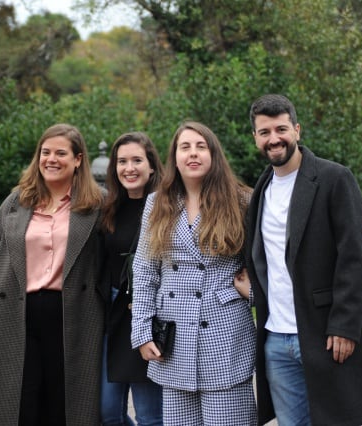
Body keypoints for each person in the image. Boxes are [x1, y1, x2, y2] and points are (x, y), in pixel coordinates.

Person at [241, 94, 362, 426]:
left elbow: (354, 257)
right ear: (256, 138)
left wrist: (345, 325)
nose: (274, 139)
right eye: (264, 132)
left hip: (324, 334)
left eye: (281, 129)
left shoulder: (334, 179)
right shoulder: (261, 191)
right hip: (276, 338)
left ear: (297, 130)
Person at [0, 123, 105, 425]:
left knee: (62, 405)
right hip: (15, 313)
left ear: (78, 159)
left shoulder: (96, 204)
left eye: (61, 153)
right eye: (45, 152)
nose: (51, 159)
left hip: (72, 315)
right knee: (18, 404)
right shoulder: (17, 202)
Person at [131, 121, 257, 425]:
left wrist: (252, 292)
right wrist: (142, 331)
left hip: (225, 332)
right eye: (185, 147)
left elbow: (264, 264)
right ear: (174, 157)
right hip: (173, 335)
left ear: (213, 154)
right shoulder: (156, 202)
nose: (193, 154)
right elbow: (145, 270)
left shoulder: (242, 201)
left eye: (201, 146)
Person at [100, 132, 164, 425]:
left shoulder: (165, 208)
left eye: (137, 160)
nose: (129, 168)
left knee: (150, 416)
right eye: (122, 161)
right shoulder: (107, 209)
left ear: (151, 165)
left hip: (148, 314)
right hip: (112, 315)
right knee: (107, 411)